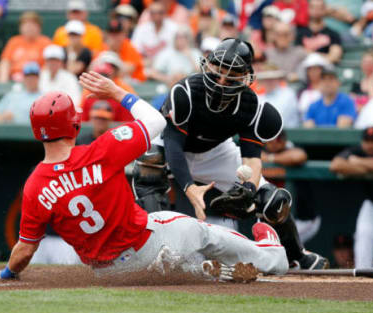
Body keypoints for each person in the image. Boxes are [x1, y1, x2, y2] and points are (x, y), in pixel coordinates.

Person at [0, 72, 288, 281]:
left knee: (175, 246)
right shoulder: (100, 150)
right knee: (203, 232)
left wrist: (5, 274)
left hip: (106, 274)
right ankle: (272, 258)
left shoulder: (34, 186)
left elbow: (25, 250)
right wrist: (115, 91)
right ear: (73, 125)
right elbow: (155, 121)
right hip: (144, 245)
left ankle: (203, 270)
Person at [133, 38, 329, 270]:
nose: (222, 79)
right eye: (218, 70)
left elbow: (252, 158)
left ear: (245, 77)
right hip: (170, 145)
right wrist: (188, 186)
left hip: (215, 152)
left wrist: (249, 189)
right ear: (209, 65)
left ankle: (296, 255)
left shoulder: (252, 106)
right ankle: (156, 251)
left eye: (231, 73)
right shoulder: (185, 91)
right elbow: (174, 143)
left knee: (273, 202)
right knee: (150, 162)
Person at [330, 126, 373, 268]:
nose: (371, 145)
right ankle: (362, 279)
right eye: (367, 141)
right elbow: (336, 165)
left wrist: (358, 162)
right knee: (363, 236)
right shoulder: (357, 150)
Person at [261, 132, 319, 244]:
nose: (274, 144)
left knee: (281, 244)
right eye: (271, 140)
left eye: (278, 140)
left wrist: (269, 158)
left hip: (303, 219)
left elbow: (299, 156)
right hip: (274, 217)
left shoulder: (291, 148)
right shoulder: (261, 149)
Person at [0, 11, 51, 83]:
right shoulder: (14, 41)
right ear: (20, 27)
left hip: (36, 80)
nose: (29, 27)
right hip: (14, 80)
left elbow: (49, 65)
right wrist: (2, 81)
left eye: (32, 24)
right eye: (25, 24)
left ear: (39, 27)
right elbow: (5, 62)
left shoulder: (46, 42)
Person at [80, 55, 134, 122]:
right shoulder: (88, 93)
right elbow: (83, 121)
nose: (102, 79)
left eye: (105, 76)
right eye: (99, 75)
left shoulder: (122, 91)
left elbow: (128, 121)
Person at [131, 1, 179, 67]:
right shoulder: (141, 28)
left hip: (167, 66)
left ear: (165, 13)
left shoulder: (174, 28)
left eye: (160, 13)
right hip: (146, 65)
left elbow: (174, 52)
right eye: (153, 13)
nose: (157, 16)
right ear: (150, 14)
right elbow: (135, 50)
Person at [297, 53, 333, 118]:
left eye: (316, 69)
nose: (313, 72)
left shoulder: (330, 90)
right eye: (310, 69)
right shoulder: (301, 92)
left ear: (322, 70)